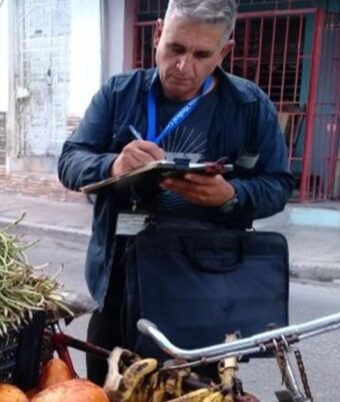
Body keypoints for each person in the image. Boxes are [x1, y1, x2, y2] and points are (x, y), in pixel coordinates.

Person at [57, 0, 293, 385]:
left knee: (195, 392)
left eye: (202, 55)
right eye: (176, 48)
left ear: (225, 52)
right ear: (157, 35)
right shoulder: (120, 94)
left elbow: (279, 185)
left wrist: (230, 195)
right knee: (107, 390)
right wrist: (113, 165)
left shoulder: (250, 106)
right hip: (118, 283)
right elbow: (69, 161)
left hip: (206, 291)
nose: (185, 67)